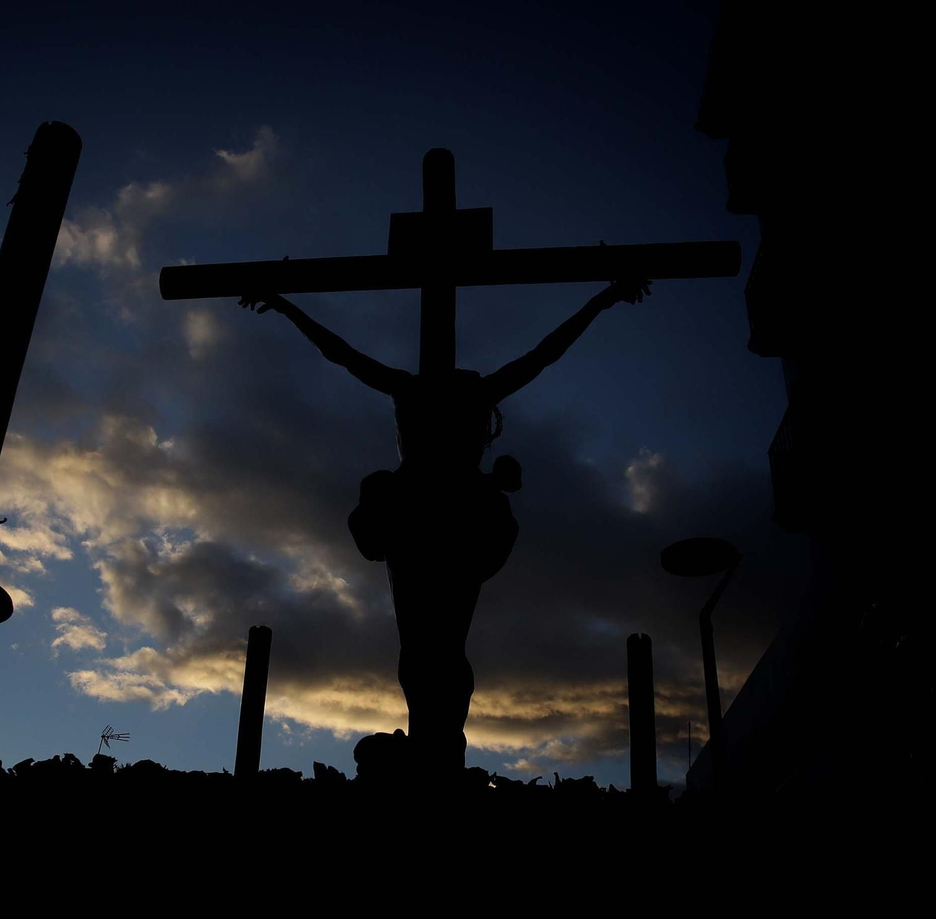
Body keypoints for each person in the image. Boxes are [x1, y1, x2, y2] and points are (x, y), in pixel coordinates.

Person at [237, 278, 651, 774]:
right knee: (430, 649)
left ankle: (439, 748)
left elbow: (341, 353)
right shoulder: (452, 390)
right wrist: (286, 307)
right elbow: (544, 354)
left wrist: (286, 307)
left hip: (435, 519)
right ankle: (436, 747)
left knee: (431, 648)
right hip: (435, 519)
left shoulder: (429, 390)